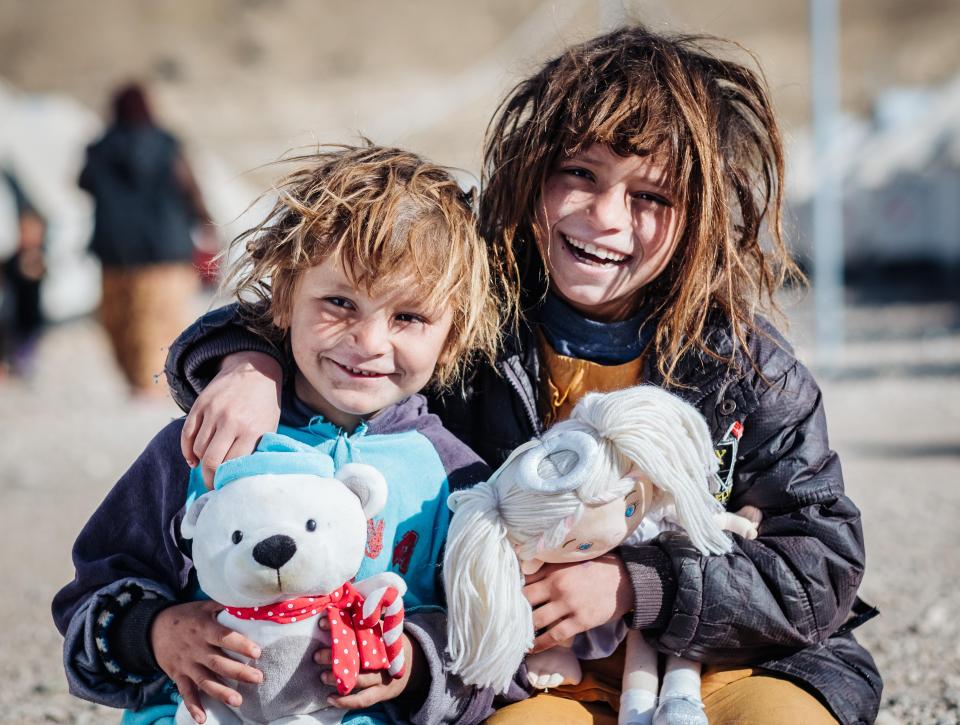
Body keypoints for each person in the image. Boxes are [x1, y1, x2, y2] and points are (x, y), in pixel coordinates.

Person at [162, 25, 882, 725]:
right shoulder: (470, 300)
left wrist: (637, 587)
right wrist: (249, 361)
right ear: (533, 168)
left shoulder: (744, 367)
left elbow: (819, 561)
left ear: (701, 217)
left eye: (650, 198)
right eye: (581, 174)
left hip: (725, 665)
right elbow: (329, 310)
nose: (605, 217)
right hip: (525, 676)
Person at [52, 145, 500, 725]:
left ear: (455, 333)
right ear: (286, 298)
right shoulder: (212, 441)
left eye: (408, 318)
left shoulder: (455, 479)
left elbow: (487, 645)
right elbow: (93, 591)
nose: (368, 342)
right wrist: (156, 632)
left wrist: (414, 662)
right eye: (339, 303)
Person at [79, 82, 216, 397]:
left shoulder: (99, 148)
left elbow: (82, 183)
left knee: (121, 320)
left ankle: (136, 381)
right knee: (159, 320)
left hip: (115, 251)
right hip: (166, 250)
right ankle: (152, 384)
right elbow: (189, 188)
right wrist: (208, 223)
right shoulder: (168, 145)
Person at [0, 170, 46, 379]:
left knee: (22, 337)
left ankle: (20, 363)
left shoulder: (33, 257)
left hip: (27, 320)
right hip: (12, 315)